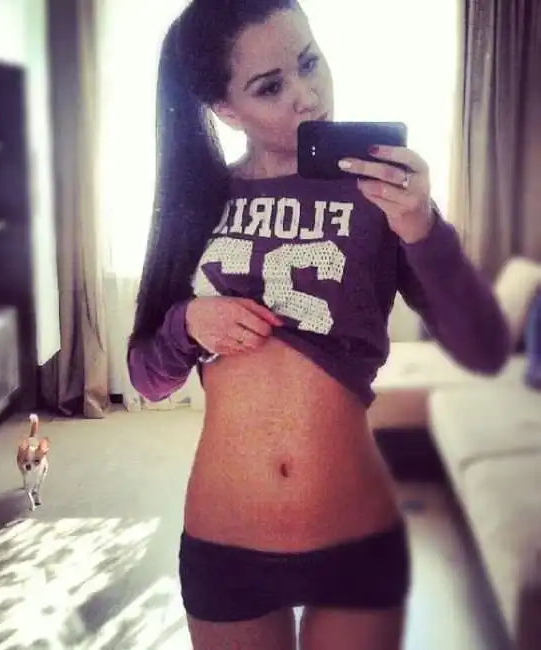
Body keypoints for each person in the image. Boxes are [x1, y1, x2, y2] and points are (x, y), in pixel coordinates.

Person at [127, 1, 511, 648]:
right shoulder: (199, 202)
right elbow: (146, 377)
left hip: (354, 534)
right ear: (225, 110)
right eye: (269, 87)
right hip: (227, 540)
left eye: (309, 62)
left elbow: (484, 347)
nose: (307, 95)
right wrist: (187, 323)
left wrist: (423, 227)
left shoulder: (382, 195)